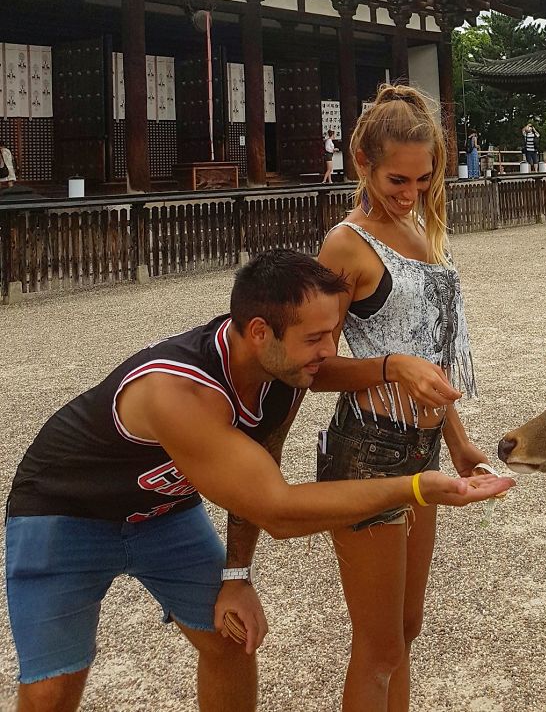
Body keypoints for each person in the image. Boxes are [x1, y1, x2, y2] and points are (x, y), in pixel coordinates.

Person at [4, 250, 511, 712]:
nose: (328, 350)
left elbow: (268, 454)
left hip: (163, 511)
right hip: (63, 515)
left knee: (231, 638)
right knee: (53, 690)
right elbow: (278, 511)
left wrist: (237, 577)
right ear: (260, 332)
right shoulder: (177, 391)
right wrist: (418, 487)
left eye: (332, 333)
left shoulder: (283, 369)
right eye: (314, 339)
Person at [315, 83, 492, 712]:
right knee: (379, 645)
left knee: (407, 631)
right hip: (368, 449)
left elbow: (431, 353)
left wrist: (459, 441)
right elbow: (313, 367)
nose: (410, 192)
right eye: (397, 179)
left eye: (423, 179)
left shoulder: (420, 228)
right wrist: (392, 368)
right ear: (362, 162)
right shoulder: (346, 245)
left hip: (423, 446)